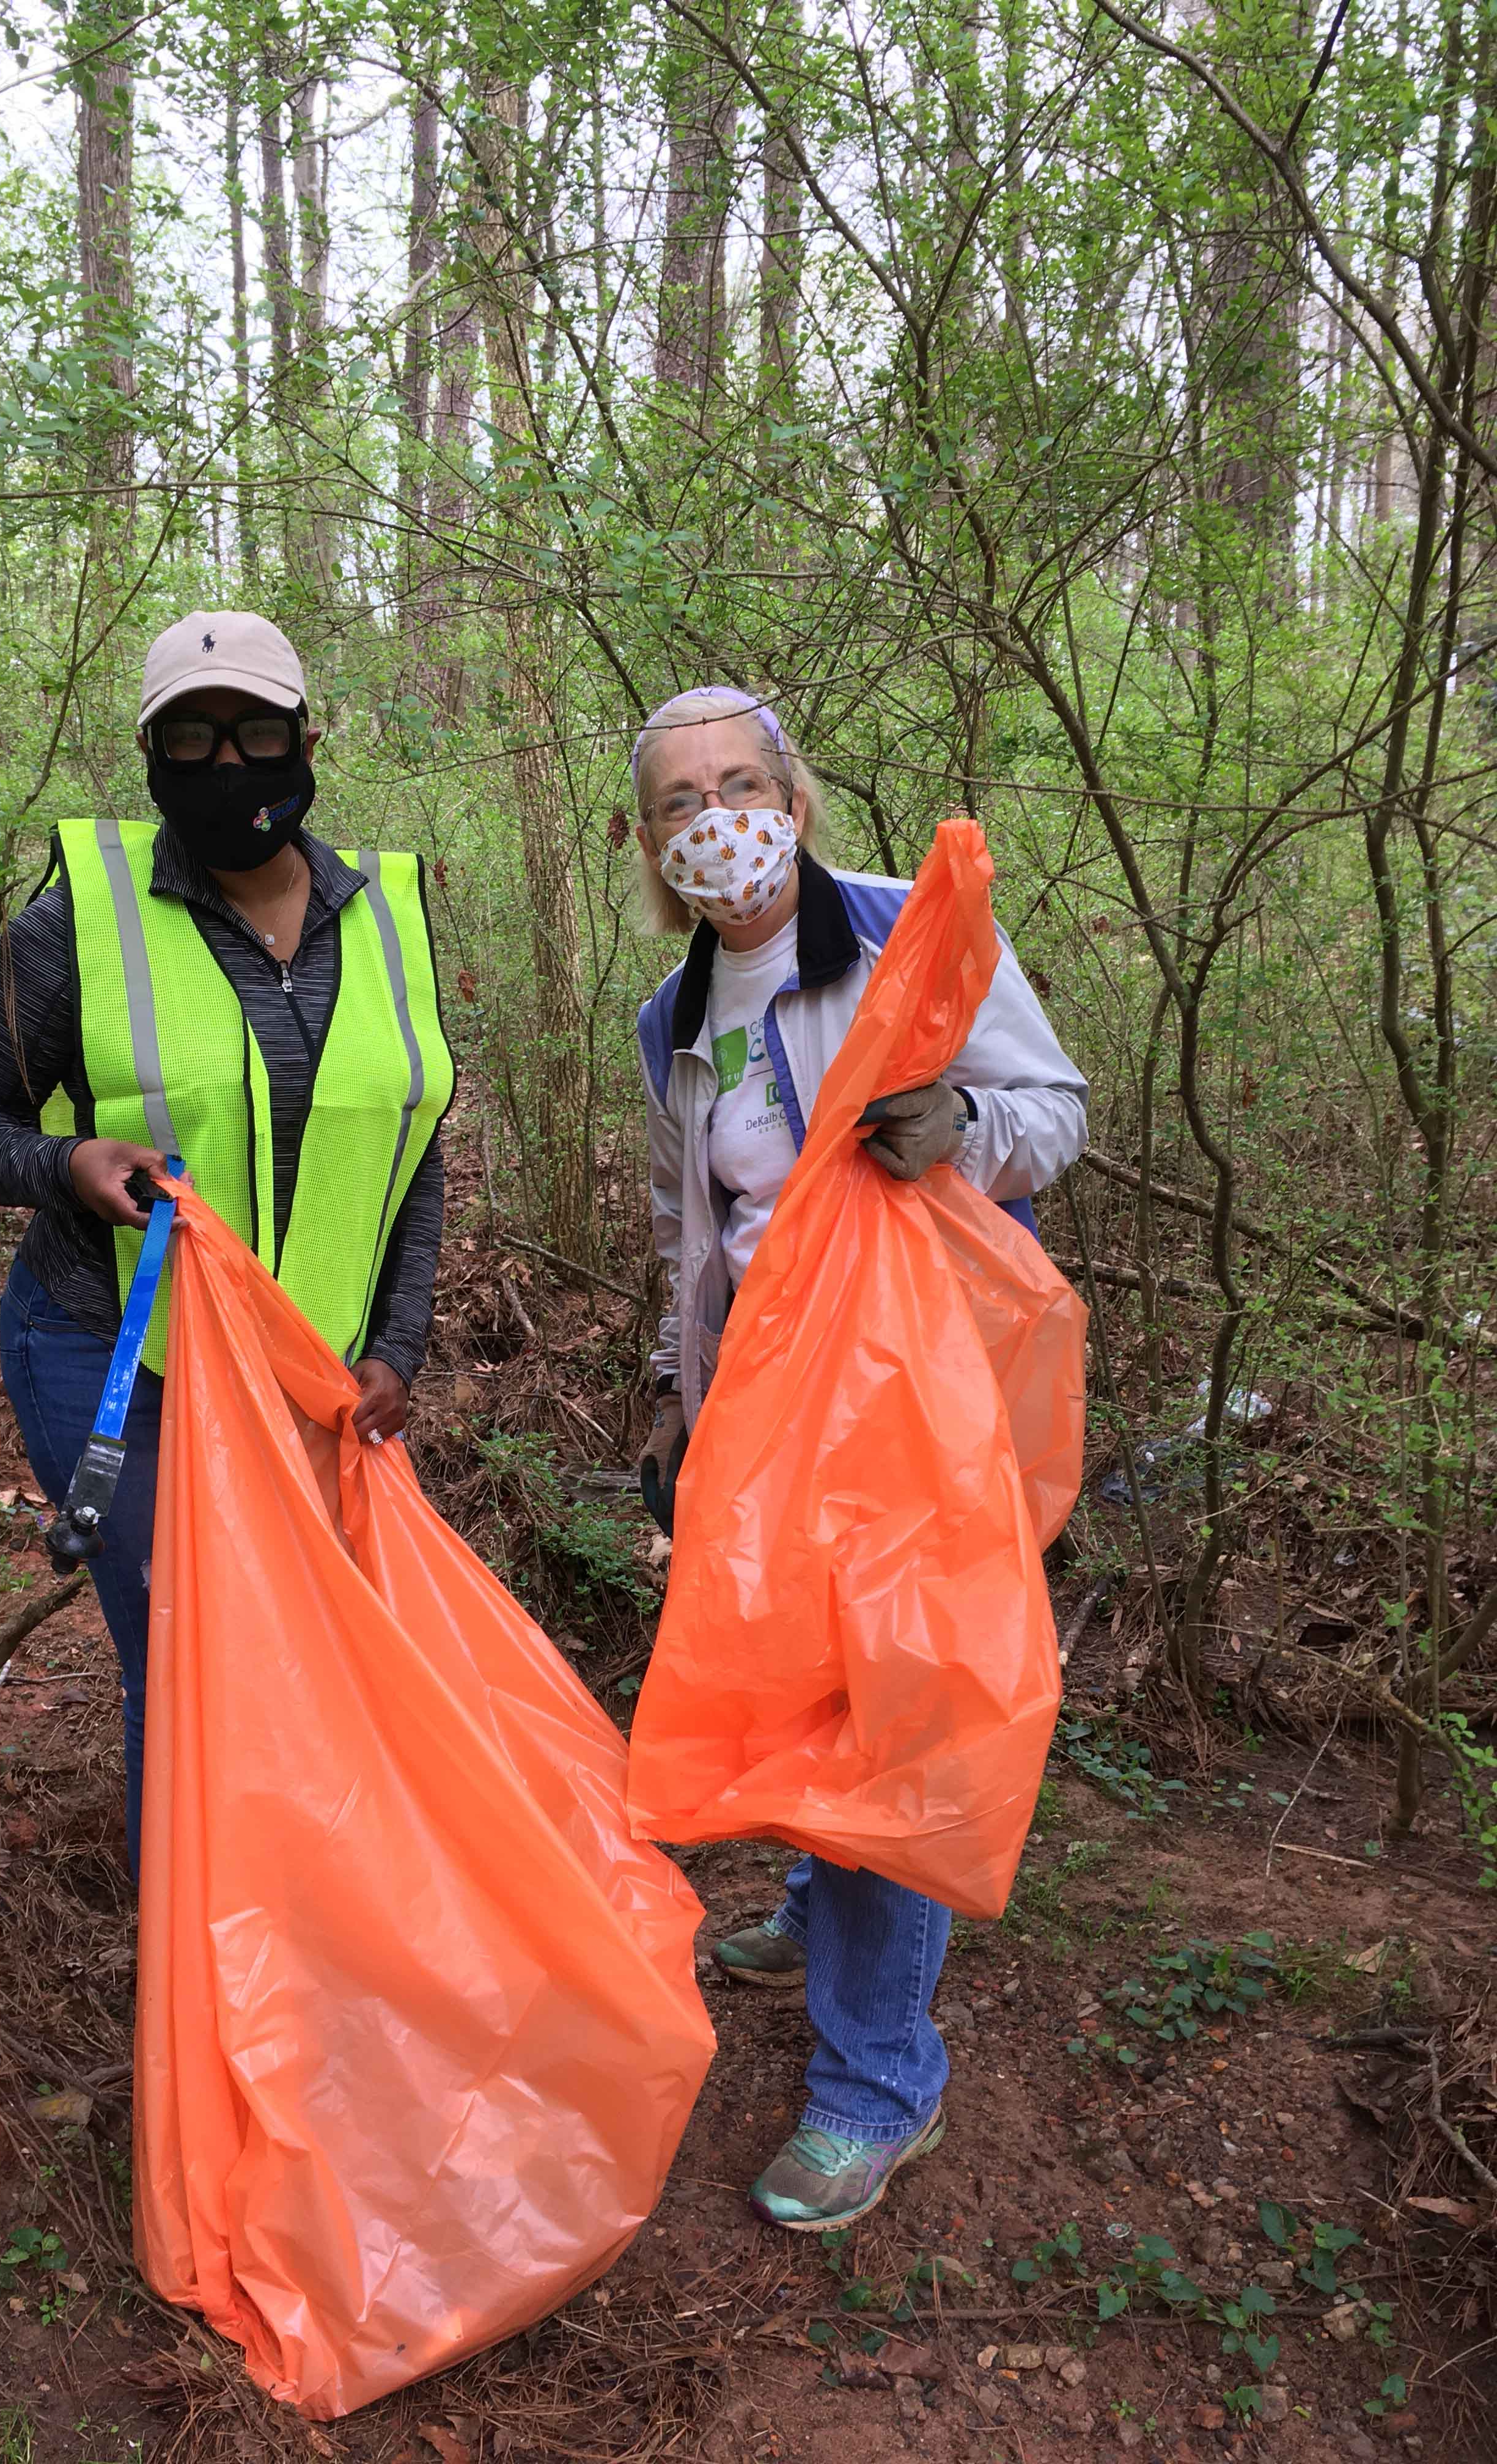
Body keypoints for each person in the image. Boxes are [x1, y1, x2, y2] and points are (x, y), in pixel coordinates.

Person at [631, 684, 1086, 2233]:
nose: (718, 820)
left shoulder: (907, 935)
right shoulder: (675, 1015)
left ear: (795, 797)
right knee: (808, 1685)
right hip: (771, 1420)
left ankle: (877, 2083)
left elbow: (1055, 1112)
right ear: (651, 840)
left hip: (919, 1408)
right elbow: (691, 1229)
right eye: (682, 800)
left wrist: (960, 1125)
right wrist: (679, 1402)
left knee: (900, 1718)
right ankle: (817, 1902)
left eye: (741, 785)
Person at [0, 612, 454, 1876]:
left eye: (255, 732)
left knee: (311, 1652)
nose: (227, 764)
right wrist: (65, 1163)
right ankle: (199, 1964)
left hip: (307, 1370)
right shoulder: (77, 926)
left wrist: (399, 1342)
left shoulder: (387, 918)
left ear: (307, 740)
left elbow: (414, 1143)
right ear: (151, 755)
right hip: (118, 1357)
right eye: (192, 738)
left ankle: (311, 1924)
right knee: (188, 1659)